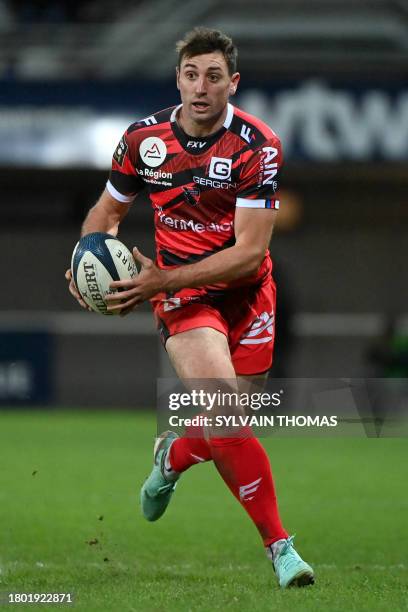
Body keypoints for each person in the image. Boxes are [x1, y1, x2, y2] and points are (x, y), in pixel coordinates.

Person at [66, 27, 314, 588]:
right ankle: (281, 549)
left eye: (213, 76)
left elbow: (249, 255)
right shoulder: (142, 139)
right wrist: (85, 259)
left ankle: (173, 457)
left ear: (233, 83)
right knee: (227, 418)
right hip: (184, 299)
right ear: (178, 78)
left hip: (248, 294)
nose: (200, 87)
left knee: (233, 424)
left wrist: (160, 276)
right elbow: (105, 214)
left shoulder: (257, 145)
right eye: (190, 74)